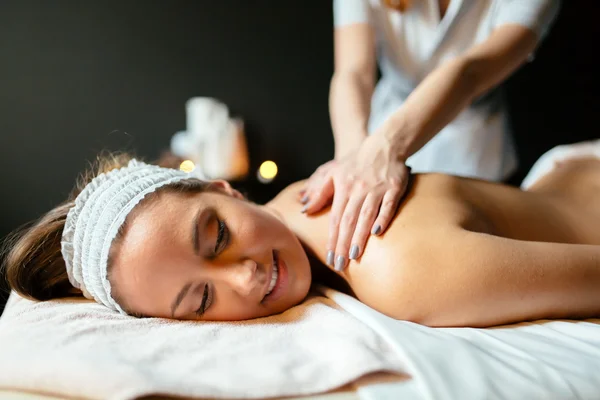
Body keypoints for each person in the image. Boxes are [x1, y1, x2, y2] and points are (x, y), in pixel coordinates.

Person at [3, 140, 600, 328]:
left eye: (216, 238)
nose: (246, 274)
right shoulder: (289, 204)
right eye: (203, 299)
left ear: (226, 188)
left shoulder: (406, 273)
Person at [300, 0, 561, 272]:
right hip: (380, 136)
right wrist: (352, 158)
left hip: (475, 154)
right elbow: (353, 72)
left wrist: (386, 149)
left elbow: (469, 71)